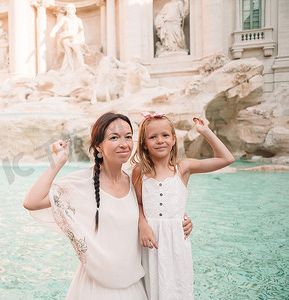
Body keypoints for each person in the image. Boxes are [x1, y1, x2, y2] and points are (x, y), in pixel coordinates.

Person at [23, 112, 193, 299]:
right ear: (98, 145)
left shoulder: (134, 182)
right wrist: (59, 160)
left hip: (132, 288)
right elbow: (32, 202)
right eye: (114, 137)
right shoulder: (82, 183)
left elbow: (160, 211)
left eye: (128, 137)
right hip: (95, 289)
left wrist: (182, 221)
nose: (124, 144)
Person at [131, 113, 235, 299]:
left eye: (165, 135)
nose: (160, 140)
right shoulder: (140, 171)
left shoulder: (183, 168)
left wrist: (205, 131)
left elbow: (227, 159)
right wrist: (143, 225)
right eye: (152, 137)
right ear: (144, 144)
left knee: (177, 288)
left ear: (173, 139)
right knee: (151, 289)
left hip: (177, 242)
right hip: (150, 241)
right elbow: (137, 203)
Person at [50, 3, 89, 72]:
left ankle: (82, 65)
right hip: (66, 37)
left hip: (75, 38)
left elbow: (81, 30)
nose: (68, 11)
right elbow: (58, 26)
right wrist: (53, 32)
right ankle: (72, 69)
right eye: (67, 9)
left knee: (77, 50)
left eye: (70, 9)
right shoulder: (64, 18)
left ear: (74, 10)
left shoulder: (78, 20)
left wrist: (82, 39)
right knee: (69, 53)